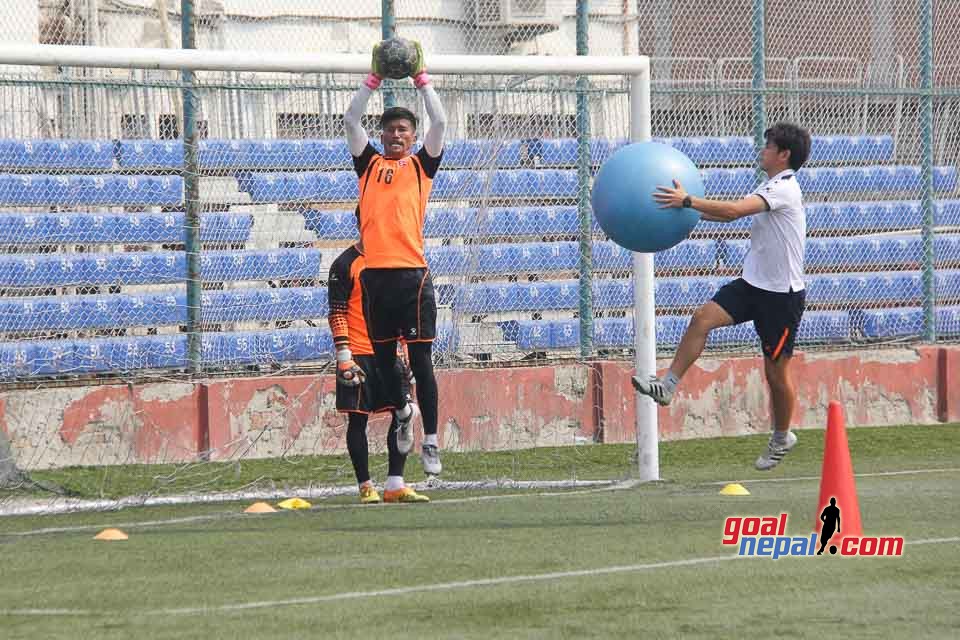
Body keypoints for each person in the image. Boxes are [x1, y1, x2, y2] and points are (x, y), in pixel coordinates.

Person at [634, 122, 812, 471]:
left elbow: (732, 212)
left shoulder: (785, 188)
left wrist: (687, 199)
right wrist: (686, 210)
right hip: (753, 285)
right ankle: (667, 385)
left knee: (775, 374)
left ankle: (782, 436)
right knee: (702, 318)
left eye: (767, 146)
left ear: (783, 154)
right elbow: (727, 218)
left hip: (782, 297)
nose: (762, 150)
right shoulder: (771, 185)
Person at [343, 40, 446, 475]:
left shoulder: (421, 167)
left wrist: (422, 79)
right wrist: (373, 80)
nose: (398, 135)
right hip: (376, 278)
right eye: (391, 130)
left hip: (412, 276)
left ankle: (431, 440)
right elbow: (350, 118)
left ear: (412, 136)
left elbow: (440, 119)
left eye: (405, 129)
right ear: (382, 135)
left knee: (421, 361)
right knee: (385, 364)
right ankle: (403, 412)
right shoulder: (367, 165)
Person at [328, 213, 429, 504]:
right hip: (357, 353)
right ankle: (365, 486)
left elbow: (404, 312)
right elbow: (337, 312)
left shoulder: (395, 262)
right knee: (357, 421)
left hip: (389, 352)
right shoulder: (344, 264)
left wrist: (408, 353)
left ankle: (395, 483)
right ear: (363, 224)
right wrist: (344, 357)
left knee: (405, 413)